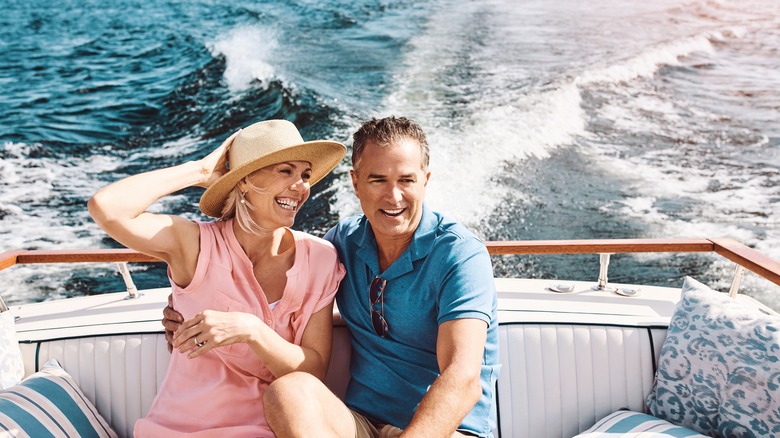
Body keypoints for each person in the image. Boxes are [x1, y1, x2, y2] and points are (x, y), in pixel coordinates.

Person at [164, 116, 500, 437]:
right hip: (359, 424)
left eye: (406, 180)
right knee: (289, 392)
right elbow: (296, 292)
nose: (393, 196)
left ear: (425, 181)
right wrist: (189, 307)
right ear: (355, 183)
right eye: (378, 179)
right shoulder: (341, 243)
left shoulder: (460, 255)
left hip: (444, 430)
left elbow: (463, 377)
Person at [89, 119, 347, 437]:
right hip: (180, 430)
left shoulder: (320, 257)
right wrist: (198, 172)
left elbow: (312, 370)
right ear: (244, 181)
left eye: (305, 175)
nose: (301, 186)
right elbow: (106, 207)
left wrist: (251, 329)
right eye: (286, 171)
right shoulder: (194, 245)